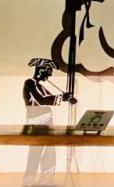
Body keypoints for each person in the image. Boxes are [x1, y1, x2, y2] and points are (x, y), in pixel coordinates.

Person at [22, 58, 73, 187]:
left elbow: (49, 98)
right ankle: (28, 183)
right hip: (36, 124)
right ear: (41, 70)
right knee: (35, 153)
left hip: (46, 123)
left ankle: (46, 181)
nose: (49, 75)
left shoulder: (39, 86)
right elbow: (41, 99)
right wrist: (62, 97)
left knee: (50, 151)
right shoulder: (30, 83)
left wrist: (65, 98)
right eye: (48, 72)